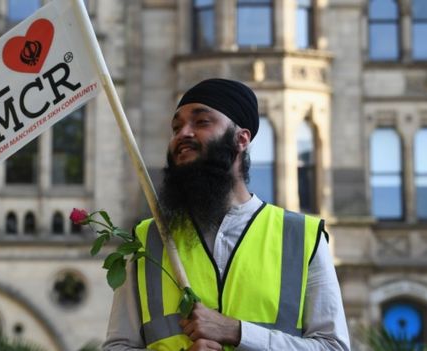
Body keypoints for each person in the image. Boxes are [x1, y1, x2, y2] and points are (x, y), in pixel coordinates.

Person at [102, 78, 350, 351]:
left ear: (241, 139)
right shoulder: (145, 239)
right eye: (176, 127)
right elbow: (117, 347)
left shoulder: (302, 237)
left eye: (201, 122)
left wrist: (237, 332)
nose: (183, 133)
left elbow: (333, 347)